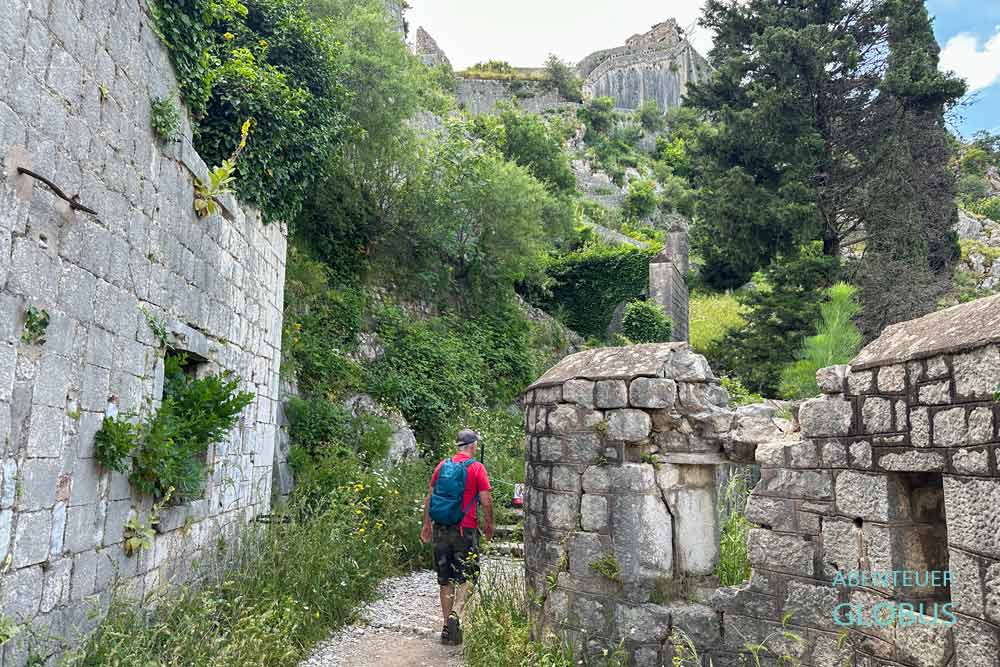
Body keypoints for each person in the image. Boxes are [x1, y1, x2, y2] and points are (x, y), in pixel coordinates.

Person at [420, 428, 494, 645]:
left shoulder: (442, 466)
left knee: (445, 580)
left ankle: (446, 629)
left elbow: (430, 497)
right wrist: (489, 524)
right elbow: (486, 500)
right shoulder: (477, 467)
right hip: (465, 530)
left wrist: (427, 525)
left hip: (441, 529)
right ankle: (457, 613)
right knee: (469, 576)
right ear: (472, 446)